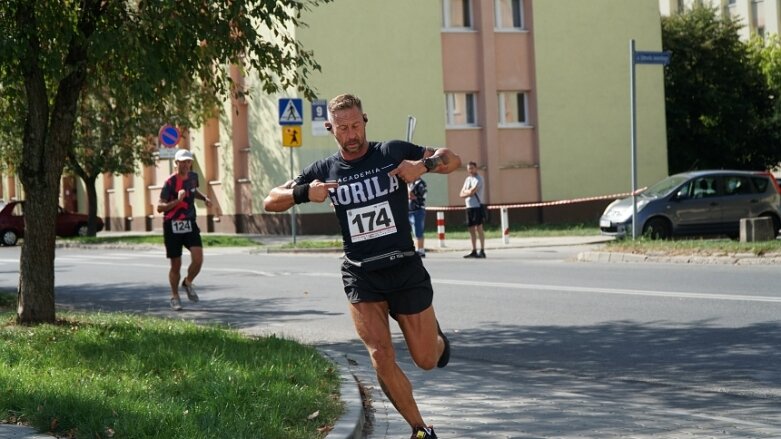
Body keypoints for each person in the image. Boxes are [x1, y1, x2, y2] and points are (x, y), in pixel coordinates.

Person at [263, 93, 461, 439]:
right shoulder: (323, 171)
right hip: (361, 273)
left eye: (356, 125)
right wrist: (304, 193)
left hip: (403, 268)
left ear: (365, 121)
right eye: (343, 128)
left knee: (427, 359)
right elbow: (270, 200)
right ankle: (420, 429)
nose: (351, 133)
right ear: (331, 129)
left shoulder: (392, 152)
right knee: (380, 356)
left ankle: (438, 340)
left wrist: (422, 166)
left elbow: (451, 158)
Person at [157, 148, 212, 311]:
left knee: (198, 259)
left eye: (189, 161)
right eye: (183, 162)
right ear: (176, 163)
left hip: (189, 223)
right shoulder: (170, 183)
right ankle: (174, 296)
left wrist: (204, 198)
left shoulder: (193, 178)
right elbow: (160, 207)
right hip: (172, 225)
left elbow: (193, 192)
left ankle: (187, 283)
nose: (186, 165)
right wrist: (177, 201)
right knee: (176, 264)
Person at [459, 161, 486, 258]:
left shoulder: (479, 179)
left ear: (476, 168)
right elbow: (461, 194)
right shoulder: (467, 179)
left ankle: (482, 250)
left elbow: (472, 192)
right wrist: (467, 192)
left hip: (477, 206)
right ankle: (474, 250)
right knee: (471, 229)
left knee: (479, 228)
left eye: (472, 168)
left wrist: (467, 192)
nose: (470, 170)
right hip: (469, 206)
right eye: (469, 168)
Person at [408, 177, 427, 257]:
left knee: (418, 230)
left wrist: (410, 192)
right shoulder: (412, 182)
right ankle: (417, 249)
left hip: (418, 209)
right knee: (413, 231)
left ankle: (421, 250)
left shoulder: (420, 183)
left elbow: (412, 195)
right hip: (411, 210)